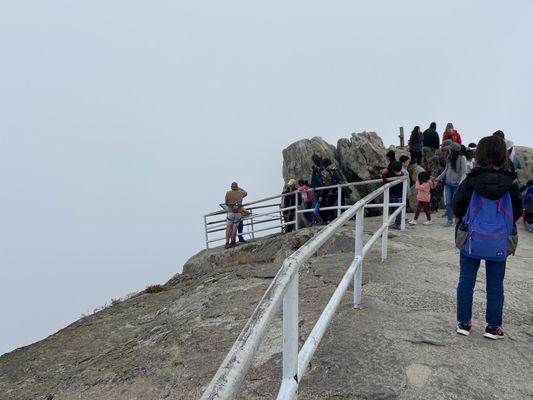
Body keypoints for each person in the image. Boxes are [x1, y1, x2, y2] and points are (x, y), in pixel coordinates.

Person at [453, 135, 522, 340]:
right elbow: (517, 210)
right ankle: (493, 327)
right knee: (495, 285)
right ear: (504, 155)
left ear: (480, 154)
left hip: (471, 239)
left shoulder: (471, 180)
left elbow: (457, 206)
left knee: (466, 281)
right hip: (499, 241)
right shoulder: (511, 182)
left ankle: (464, 324)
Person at [435, 142, 467, 226]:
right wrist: (438, 178)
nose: (448, 150)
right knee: (448, 202)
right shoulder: (449, 157)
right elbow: (446, 170)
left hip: (457, 184)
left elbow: (464, 173)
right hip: (448, 183)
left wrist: (460, 183)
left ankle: (457, 219)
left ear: (453, 150)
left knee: (456, 202)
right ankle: (449, 220)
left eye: (450, 149)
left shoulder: (462, 158)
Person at [224, 182, 248, 249]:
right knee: (235, 228)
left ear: (231, 187)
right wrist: (239, 188)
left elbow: (226, 202)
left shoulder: (228, 193)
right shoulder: (241, 193)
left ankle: (227, 243)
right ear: (237, 187)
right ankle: (233, 242)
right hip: (238, 213)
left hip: (230, 212)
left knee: (228, 227)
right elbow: (246, 193)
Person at [382, 161, 404, 229]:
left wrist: (383, 174)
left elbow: (385, 181)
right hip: (401, 194)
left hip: (395, 195)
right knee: (399, 208)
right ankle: (398, 222)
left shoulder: (392, 176)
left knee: (398, 210)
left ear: (393, 169)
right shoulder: (402, 174)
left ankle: (397, 224)